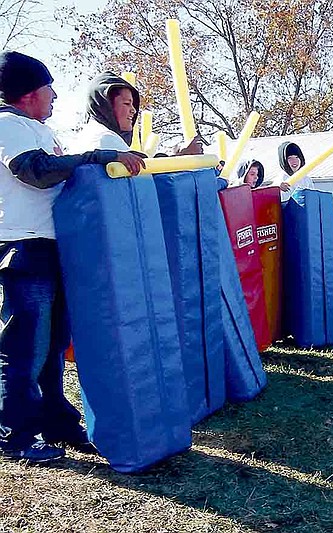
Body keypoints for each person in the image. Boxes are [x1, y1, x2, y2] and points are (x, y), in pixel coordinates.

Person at [0, 52, 145, 463]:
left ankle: (56, 421)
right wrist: (99, 156)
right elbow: (35, 171)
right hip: (24, 248)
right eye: (50, 89)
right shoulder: (7, 126)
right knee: (25, 347)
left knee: (52, 346)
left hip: (53, 247)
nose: (55, 98)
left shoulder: (37, 128)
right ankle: (14, 432)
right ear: (29, 92)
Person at [71, 71, 203, 155]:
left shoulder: (96, 136)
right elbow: (144, 173)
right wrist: (182, 157)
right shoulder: (103, 139)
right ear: (106, 106)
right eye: (127, 103)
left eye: (133, 104)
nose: (133, 110)